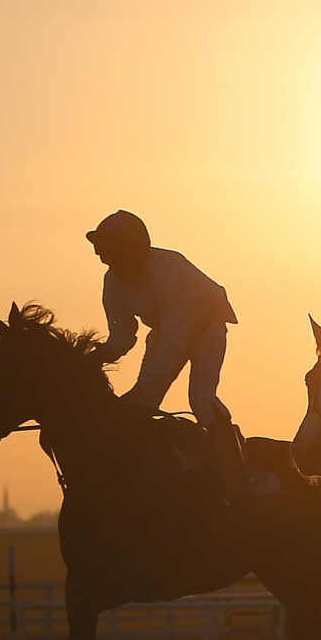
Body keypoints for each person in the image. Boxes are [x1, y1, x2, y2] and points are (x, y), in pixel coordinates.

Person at [88, 210, 245, 494]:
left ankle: (236, 475)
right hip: (165, 331)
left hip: (207, 328)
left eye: (112, 255)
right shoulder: (112, 282)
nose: (108, 263)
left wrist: (142, 387)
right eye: (105, 257)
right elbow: (122, 333)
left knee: (201, 397)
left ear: (134, 251)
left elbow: (178, 337)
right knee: (141, 403)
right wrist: (99, 355)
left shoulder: (171, 271)